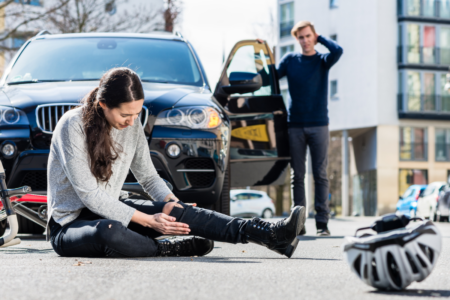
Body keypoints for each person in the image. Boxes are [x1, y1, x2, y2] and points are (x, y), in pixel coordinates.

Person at [47, 67, 306, 258]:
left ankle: (269, 234)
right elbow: (90, 196)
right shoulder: (72, 125)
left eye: (137, 113)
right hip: (70, 225)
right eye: (126, 114)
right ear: (103, 104)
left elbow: (148, 176)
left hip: (112, 207)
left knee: (174, 210)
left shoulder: (132, 122)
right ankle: (165, 248)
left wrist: (174, 204)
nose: (131, 121)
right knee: (109, 230)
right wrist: (149, 221)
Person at [277, 21, 343, 236]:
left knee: (321, 175)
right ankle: (299, 223)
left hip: (319, 125)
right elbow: (272, 75)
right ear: (297, 40)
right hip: (295, 125)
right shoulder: (290, 61)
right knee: (297, 176)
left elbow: (338, 50)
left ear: (314, 36)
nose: (305, 41)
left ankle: (322, 223)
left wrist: (321, 37)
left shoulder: (323, 61)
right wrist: (263, 51)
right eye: (301, 37)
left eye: (308, 36)